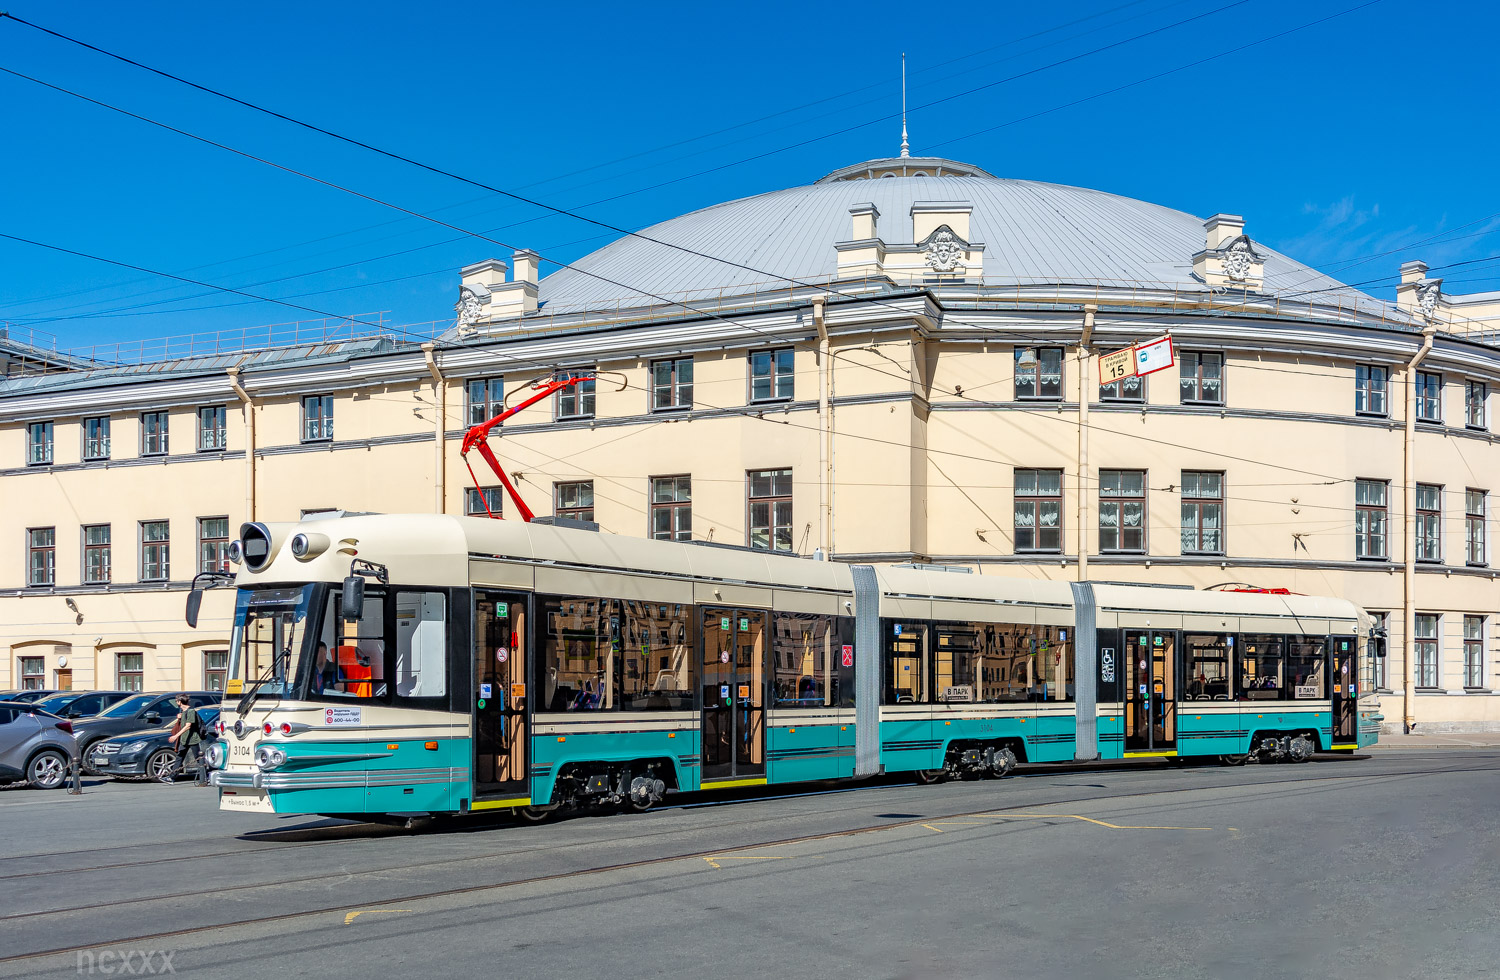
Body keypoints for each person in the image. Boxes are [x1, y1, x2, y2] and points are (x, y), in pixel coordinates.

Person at [169, 695, 207, 786]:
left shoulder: (191, 711)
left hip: (192, 739)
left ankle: (204, 777)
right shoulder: (184, 712)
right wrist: (179, 718)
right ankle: (172, 777)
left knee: (198, 758)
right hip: (185, 739)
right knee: (179, 757)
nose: (176, 702)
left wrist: (176, 736)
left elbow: (188, 726)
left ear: (180, 702)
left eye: (176, 701)